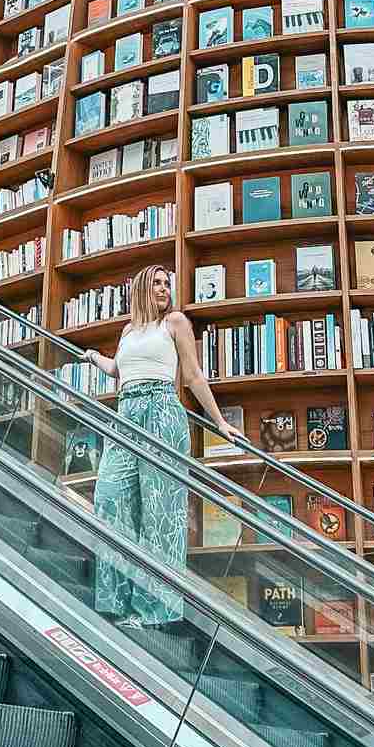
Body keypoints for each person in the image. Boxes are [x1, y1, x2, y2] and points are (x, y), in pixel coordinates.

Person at [84, 264, 237, 627]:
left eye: (167, 282)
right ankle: (116, 601)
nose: (164, 287)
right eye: (156, 282)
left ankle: (153, 611)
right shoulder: (127, 331)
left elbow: (193, 375)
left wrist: (219, 422)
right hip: (125, 413)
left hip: (162, 411)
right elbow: (119, 371)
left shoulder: (176, 323)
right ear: (139, 287)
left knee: (160, 513)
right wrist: (93, 357)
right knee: (109, 499)